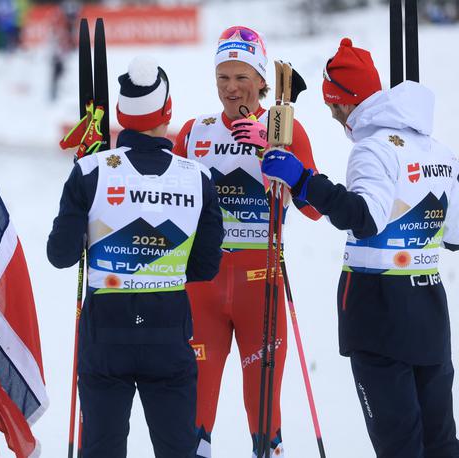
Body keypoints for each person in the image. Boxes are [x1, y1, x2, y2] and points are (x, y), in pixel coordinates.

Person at [261, 37, 459, 457]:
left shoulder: (372, 149)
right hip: (430, 317)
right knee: (441, 443)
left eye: (333, 108)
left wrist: (303, 180)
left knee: (399, 447)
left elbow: (363, 218)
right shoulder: (438, 150)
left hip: (379, 315)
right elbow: (455, 235)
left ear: (347, 103)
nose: (335, 119)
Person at [47, 56, 223, 457]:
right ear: (168, 111)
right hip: (168, 331)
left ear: (122, 114)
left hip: (106, 334)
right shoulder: (198, 177)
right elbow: (206, 266)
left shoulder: (90, 170)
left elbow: (60, 254)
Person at [172, 25, 322, 457]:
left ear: (261, 80)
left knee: (263, 408)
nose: (231, 88)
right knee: (194, 407)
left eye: (242, 77)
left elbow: (314, 208)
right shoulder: (193, 132)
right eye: (223, 77)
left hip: (261, 284)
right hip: (202, 287)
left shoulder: (284, 128)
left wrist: (278, 154)